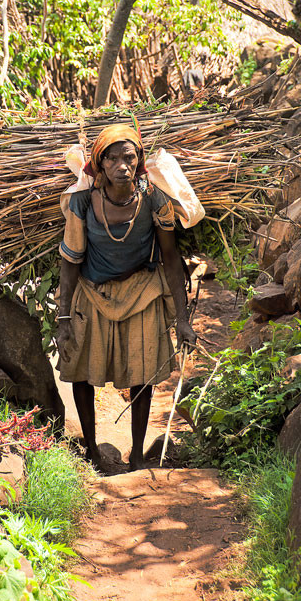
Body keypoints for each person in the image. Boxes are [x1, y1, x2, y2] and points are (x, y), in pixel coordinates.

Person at [56, 123, 196, 471]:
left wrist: (182, 319)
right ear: (99, 165)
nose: (122, 166)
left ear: (139, 162)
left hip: (141, 291)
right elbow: (70, 261)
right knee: (79, 371)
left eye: (129, 158)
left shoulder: (155, 199)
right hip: (91, 291)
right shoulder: (82, 202)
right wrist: (63, 318)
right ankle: (90, 451)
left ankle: (136, 454)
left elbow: (170, 258)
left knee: (141, 373)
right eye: (112, 159)